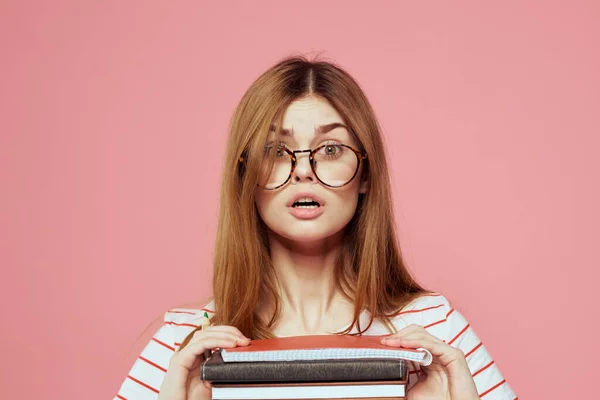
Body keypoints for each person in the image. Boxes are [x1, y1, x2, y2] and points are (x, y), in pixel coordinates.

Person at [114, 56, 517, 400]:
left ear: (366, 176)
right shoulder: (183, 347)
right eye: (274, 150)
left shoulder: (436, 332)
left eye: (330, 149)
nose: (303, 171)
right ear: (244, 178)